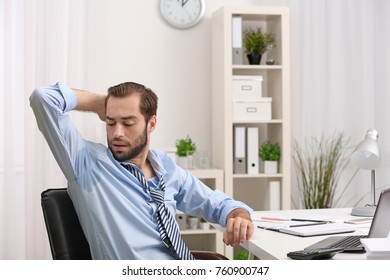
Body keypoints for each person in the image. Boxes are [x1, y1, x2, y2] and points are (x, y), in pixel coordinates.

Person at [30, 82, 254, 260]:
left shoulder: (165, 167)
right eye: (110, 122)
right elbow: (43, 98)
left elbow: (214, 202)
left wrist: (238, 214)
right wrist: (101, 102)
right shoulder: (86, 163)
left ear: (151, 124)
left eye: (128, 123)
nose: (117, 133)